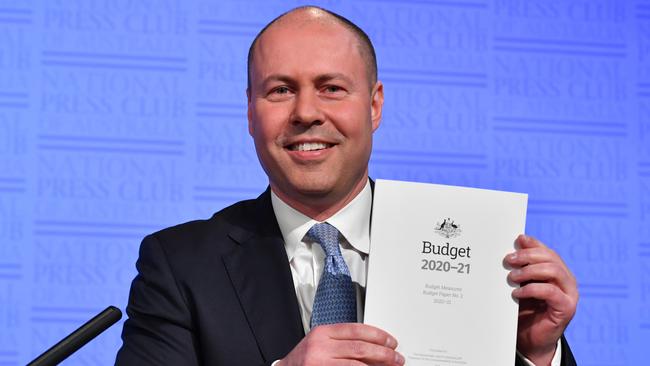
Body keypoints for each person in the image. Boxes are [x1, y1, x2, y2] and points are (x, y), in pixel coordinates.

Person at [116, 6, 578, 366]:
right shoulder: (180, 265)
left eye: (331, 88)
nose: (306, 113)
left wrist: (535, 355)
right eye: (280, 90)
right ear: (250, 110)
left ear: (374, 106)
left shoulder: (474, 256)